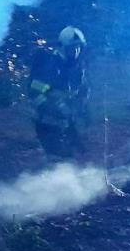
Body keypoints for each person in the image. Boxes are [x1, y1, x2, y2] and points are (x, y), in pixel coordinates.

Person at [29, 26, 88, 158]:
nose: (76, 51)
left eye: (79, 47)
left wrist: (81, 107)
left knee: (77, 155)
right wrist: (55, 109)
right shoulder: (50, 66)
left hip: (68, 122)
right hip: (48, 123)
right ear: (63, 47)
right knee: (58, 162)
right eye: (72, 48)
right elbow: (35, 94)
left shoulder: (77, 67)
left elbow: (81, 90)